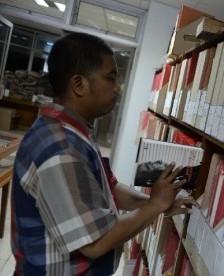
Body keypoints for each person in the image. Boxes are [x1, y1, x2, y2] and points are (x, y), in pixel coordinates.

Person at [11, 32, 197, 275]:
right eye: (110, 78)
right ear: (79, 84)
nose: (117, 88)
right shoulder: (60, 148)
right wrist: (154, 206)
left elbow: (107, 189)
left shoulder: (72, 131)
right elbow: (95, 242)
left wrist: (161, 204)